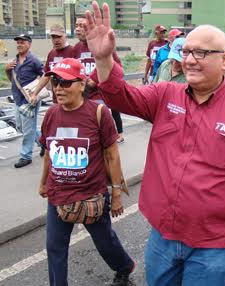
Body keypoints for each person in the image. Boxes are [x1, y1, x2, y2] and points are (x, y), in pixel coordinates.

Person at [85, 3, 225, 285]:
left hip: (215, 245)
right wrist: (104, 60)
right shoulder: (165, 94)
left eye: (201, 52)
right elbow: (120, 97)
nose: (190, 59)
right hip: (163, 237)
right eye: (187, 51)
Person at [38, 58, 135, 286]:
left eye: (65, 82)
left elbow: (112, 154)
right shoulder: (51, 115)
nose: (58, 88)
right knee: (54, 247)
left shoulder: (99, 113)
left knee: (105, 241)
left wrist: (117, 194)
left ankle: (124, 266)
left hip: (92, 195)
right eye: (55, 81)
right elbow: (48, 154)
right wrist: (43, 183)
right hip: (58, 195)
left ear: (82, 84)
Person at [74, 16, 125, 143]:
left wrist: (95, 79)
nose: (78, 29)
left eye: (82, 26)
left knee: (100, 132)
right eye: (77, 25)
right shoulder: (76, 48)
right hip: (82, 95)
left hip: (100, 95)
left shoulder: (103, 45)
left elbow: (117, 67)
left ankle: (117, 135)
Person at [4, 34, 43, 168]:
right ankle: (42, 141)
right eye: (18, 43)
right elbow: (12, 80)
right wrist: (7, 70)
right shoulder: (13, 61)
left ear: (29, 44)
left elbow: (44, 76)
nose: (19, 44)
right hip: (17, 98)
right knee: (20, 126)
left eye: (22, 42)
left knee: (28, 129)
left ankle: (26, 156)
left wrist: (36, 91)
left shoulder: (34, 60)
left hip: (30, 99)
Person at [31, 24, 75, 105]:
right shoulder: (52, 53)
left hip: (71, 99)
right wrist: (35, 93)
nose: (56, 40)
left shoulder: (73, 51)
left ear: (65, 36)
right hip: (57, 99)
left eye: (59, 37)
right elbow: (46, 75)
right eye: (53, 37)